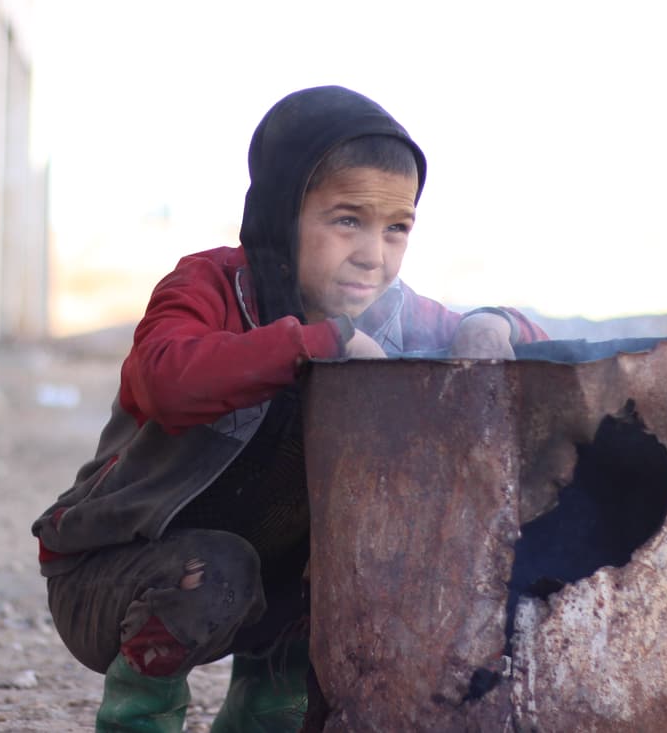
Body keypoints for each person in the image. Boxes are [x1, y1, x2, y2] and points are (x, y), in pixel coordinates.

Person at [32, 85, 548, 732]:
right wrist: (315, 344)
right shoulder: (211, 287)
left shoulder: (389, 314)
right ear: (283, 212)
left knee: (355, 558)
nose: (373, 254)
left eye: (397, 228)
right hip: (112, 573)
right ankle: (140, 715)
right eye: (346, 220)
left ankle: (268, 709)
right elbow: (163, 377)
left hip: (259, 584)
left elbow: (535, 338)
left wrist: (494, 329)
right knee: (220, 568)